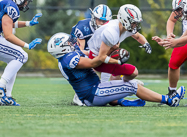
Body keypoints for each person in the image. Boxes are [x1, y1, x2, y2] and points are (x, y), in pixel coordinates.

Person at [47, 32, 185, 107]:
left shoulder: (67, 57)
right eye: (69, 43)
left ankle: (126, 102)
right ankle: (169, 100)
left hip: (95, 89)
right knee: (133, 85)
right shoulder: (69, 59)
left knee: (131, 85)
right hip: (93, 94)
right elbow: (93, 63)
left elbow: (89, 54)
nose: (73, 43)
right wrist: (113, 57)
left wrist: (110, 50)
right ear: (63, 48)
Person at [0, 0, 42, 106]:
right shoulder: (11, 6)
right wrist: (27, 45)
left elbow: (6, 22)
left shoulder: (2, 2)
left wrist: (28, 23)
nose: (26, 4)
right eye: (25, 1)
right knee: (22, 55)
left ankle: (6, 96)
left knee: (13, 60)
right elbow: (8, 35)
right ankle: (0, 86)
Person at [87, 4, 152, 84]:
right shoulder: (111, 32)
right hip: (96, 58)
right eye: (134, 22)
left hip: (103, 55)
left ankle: (114, 84)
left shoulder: (125, 27)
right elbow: (101, 58)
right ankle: (116, 86)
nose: (135, 25)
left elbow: (138, 36)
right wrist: (118, 62)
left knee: (120, 70)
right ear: (125, 20)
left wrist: (146, 43)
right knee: (133, 72)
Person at [71, 4, 113, 106]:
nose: (102, 23)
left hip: (92, 52)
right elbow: (78, 50)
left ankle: (104, 87)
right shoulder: (83, 27)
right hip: (73, 54)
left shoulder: (110, 29)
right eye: (99, 20)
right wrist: (96, 55)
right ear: (94, 18)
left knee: (112, 58)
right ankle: (78, 96)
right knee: (93, 63)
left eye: (105, 21)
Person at [152, 0, 187, 97]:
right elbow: (171, 20)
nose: (178, 12)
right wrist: (169, 37)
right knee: (174, 62)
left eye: (180, 9)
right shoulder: (182, 7)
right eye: (178, 9)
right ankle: (172, 92)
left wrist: (176, 42)